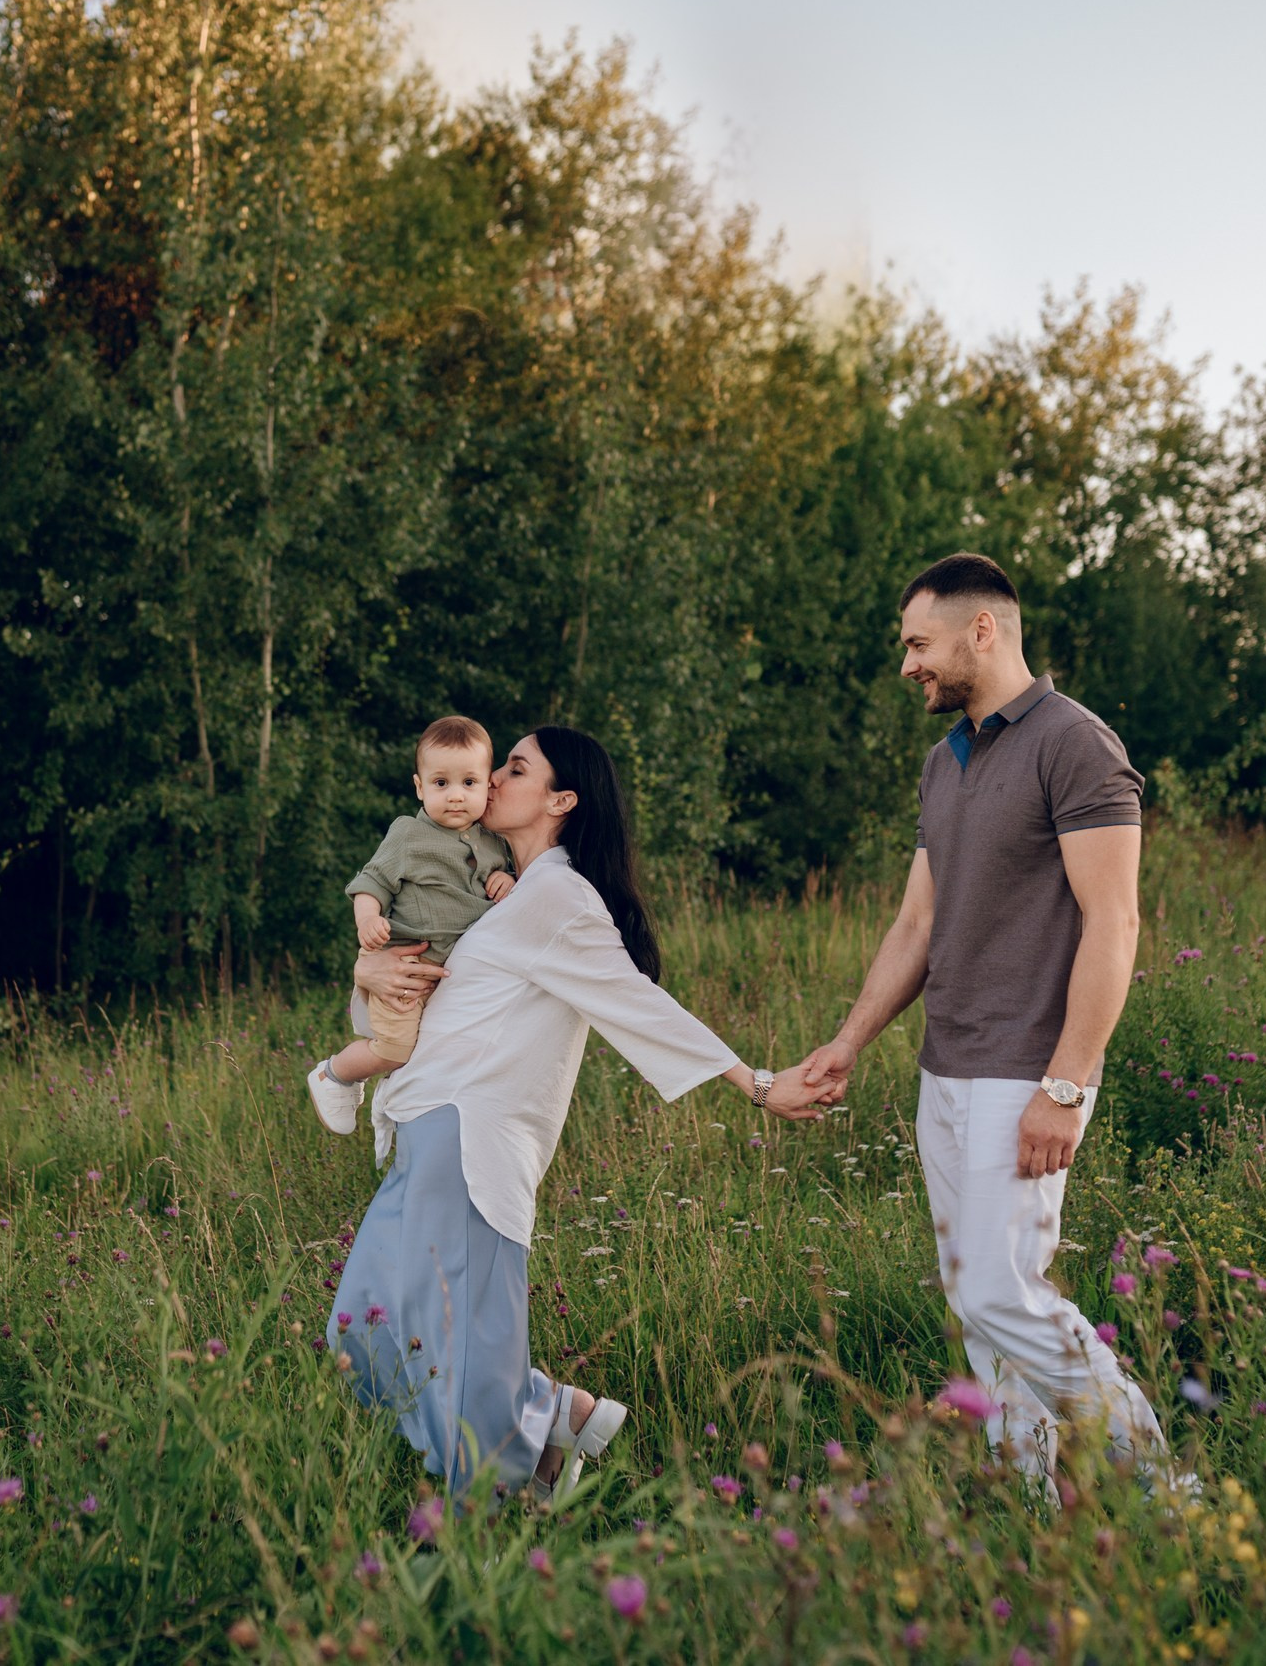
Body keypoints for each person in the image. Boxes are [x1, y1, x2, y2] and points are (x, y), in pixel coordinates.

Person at [331, 726, 831, 1501]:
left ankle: (492, 1521)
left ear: (561, 800)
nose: (492, 777)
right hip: (423, 1130)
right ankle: (551, 1414)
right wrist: (367, 961)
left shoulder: (560, 896)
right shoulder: (496, 891)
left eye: (514, 767)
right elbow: (411, 969)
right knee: (361, 1334)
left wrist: (758, 1084)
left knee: (463, 1349)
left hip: (471, 1141)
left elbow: (637, 1001)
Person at [793, 552, 1175, 1486]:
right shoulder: (945, 759)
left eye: (917, 644)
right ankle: (1038, 1493)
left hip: (1028, 1072)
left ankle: (1159, 1488)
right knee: (978, 1304)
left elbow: (1115, 922)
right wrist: (848, 1041)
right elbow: (918, 922)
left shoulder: (1076, 744)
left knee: (1004, 1292)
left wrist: (1067, 1083)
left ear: (982, 630)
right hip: (947, 1069)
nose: (907, 665)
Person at [306, 716, 515, 1134]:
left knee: (432, 1053)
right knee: (398, 1048)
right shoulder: (408, 835)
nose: (456, 796)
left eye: (469, 783)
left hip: (442, 977)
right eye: (441, 784)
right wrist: (368, 919)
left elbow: (513, 887)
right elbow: (372, 882)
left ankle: (406, 1109)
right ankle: (336, 1074)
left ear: (487, 786)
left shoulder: (496, 842)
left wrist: (508, 879)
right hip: (400, 963)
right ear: (419, 787)